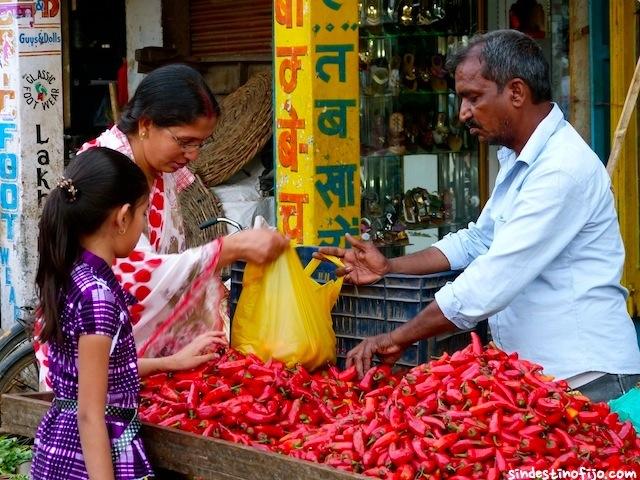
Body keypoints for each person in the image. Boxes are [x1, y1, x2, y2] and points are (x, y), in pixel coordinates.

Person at [319, 29, 640, 402]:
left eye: (473, 98)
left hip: (588, 379)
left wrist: (396, 337)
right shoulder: (521, 158)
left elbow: (491, 280)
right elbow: (478, 241)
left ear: (516, 93)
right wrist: (392, 268)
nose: (463, 113)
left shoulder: (560, 169)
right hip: (546, 381)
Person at [34, 64, 289, 386]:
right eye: (184, 141)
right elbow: (131, 273)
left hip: (135, 363)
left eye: (200, 143)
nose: (192, 154)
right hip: (97, 370)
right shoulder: (110, 169)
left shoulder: (159, 169)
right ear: (146, 125)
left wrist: (208, 287)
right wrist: (227, 250)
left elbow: (169, 254)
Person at [31, 147, 227, 480]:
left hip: (64, 444)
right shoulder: (98, 298)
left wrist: (170, 362)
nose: (143, 226)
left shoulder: (74, 273)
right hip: (90, 454)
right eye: (143, 214)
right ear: (122, 218)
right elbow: (90, 414)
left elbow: (95, 372)